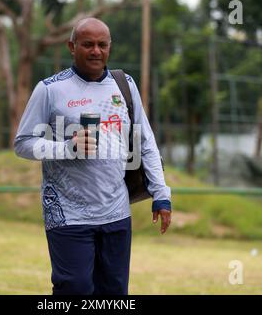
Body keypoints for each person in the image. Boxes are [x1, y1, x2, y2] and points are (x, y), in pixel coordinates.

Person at [14, 18, 171, 295]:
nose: (96, 51)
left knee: (114, 293)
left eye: (102, 45)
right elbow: (23, 143)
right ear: (71, 47)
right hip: (68, 214)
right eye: (88, 44)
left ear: (109, 47)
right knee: (74, 289)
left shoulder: (125, 85)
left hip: (116, 212)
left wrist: (161, 193)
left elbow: (146, 142)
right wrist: (66, 148)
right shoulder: (50, 89)